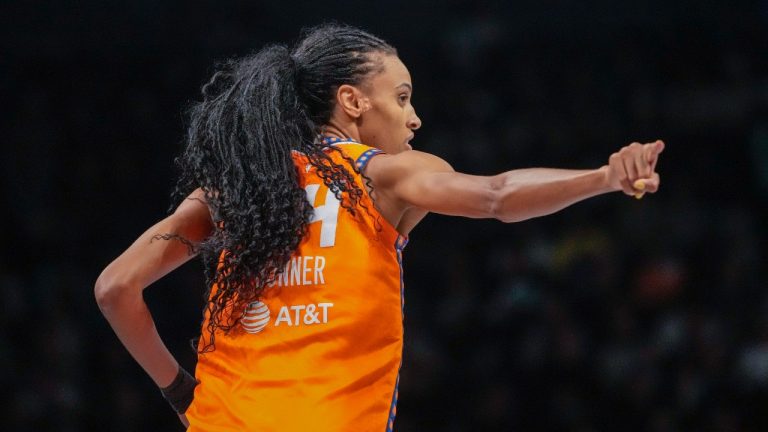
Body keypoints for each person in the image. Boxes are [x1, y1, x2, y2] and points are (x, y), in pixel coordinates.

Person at [94, 24, 664, 431]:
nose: (414, 117)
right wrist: (603, 177)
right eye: (402, 96)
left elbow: (115, 289)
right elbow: (496, 195)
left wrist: (177, 390)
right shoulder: (381, 175)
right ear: (352, 101)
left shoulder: (235, 188)